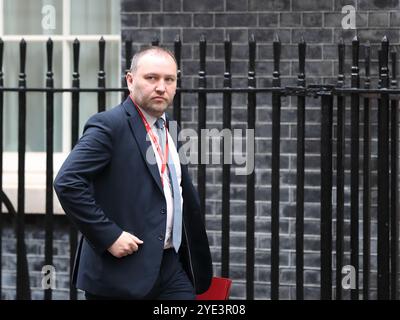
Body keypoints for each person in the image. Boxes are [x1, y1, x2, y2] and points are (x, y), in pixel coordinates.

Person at [53, 46, 213, 300]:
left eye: (169, 79)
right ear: (130, 80)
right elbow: (68, 182)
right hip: (120, 275)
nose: (161, 87)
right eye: (151, 78)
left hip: (170, 267)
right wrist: (109, 236)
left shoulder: (170, 129)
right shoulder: (108, 125)